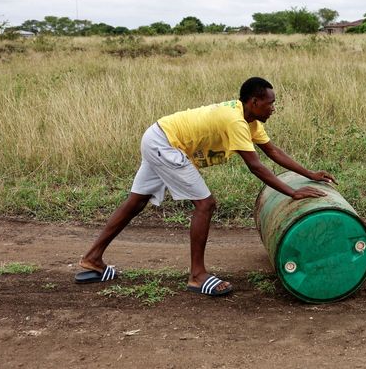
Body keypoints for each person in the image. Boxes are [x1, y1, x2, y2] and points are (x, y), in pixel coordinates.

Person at [75, 77, 336, 296]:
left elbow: (272, 151)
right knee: (205, 204)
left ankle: (92, 260)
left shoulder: (249, 121)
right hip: (166, 144)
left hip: (158, 136)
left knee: (136, 202)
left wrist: (309, 173)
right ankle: (197, 275)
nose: (273, 109)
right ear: (254, 102)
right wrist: (292, 191)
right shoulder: (235, 121)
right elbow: (256, 166)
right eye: (271, 104)